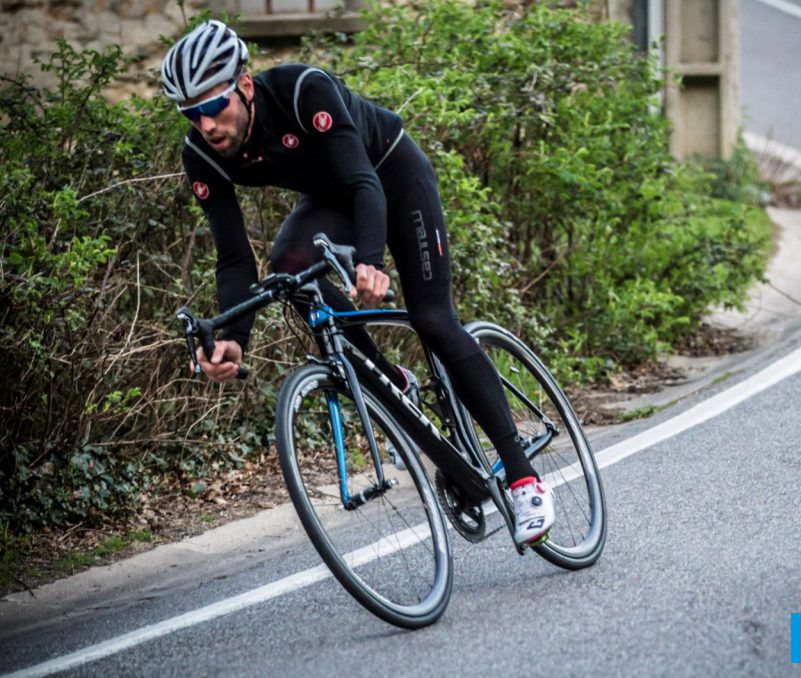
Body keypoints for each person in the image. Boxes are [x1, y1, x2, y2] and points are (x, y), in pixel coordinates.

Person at [162, 20, 554, 545]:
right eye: (192, 113)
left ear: (246, 85)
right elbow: (234, 259)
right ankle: (391, 379)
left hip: (390, 173)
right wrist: (234, 337)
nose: (207, 124)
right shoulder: (202, 156)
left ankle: (524, 478)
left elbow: (364, 182)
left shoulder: (305, 91)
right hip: (329, 202)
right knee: (289, 272)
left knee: (433, 319)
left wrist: (370, 261)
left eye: (215, 106)